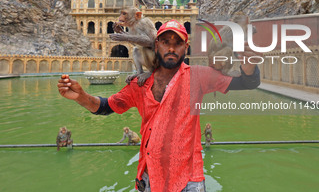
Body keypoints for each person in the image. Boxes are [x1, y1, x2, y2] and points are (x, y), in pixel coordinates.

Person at [57, 20, 260, 192]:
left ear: (185, 48)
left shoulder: (198, 76)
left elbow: (247, 83)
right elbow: (106, 106)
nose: (171, 48)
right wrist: (80, 96)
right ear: (156, 46)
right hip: (149, 177)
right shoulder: (140, 84)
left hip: (189, 179)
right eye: (165, 42)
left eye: (178, 43)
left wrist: (249, 67)